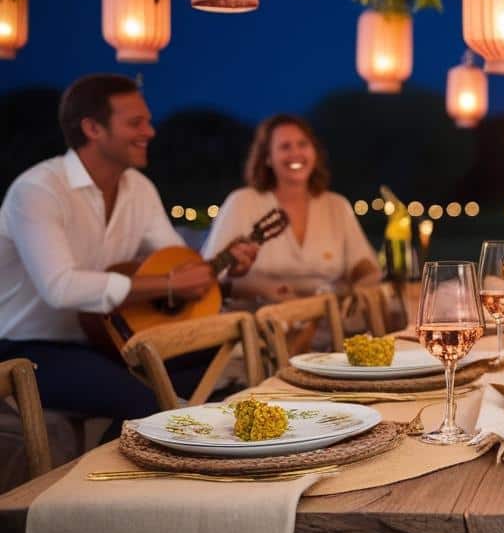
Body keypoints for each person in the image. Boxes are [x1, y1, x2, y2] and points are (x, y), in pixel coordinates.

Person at [0, 74, 259, 428]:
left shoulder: (139, 188)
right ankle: (130, 457)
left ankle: (132, 442)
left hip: (110, 339)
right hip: (28, 350)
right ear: (93, 128)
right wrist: (167, 285)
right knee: (149, 405)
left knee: (227, 354)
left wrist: (224, 271)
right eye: (137, 122)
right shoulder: (37, 190)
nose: (150, 131)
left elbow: (176, 259)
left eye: (148, 121)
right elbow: (60, 288)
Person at [204, 114, 378, 307]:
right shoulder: (241, 202)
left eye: (302, 144)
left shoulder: (337, 205)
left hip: (328, 323)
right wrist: (261, 289)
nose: (296, 153)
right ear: (268, 158)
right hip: (257, 323)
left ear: (314, 152)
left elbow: (363, 264)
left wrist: (361, 289)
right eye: (285, 147)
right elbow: (212, 277)